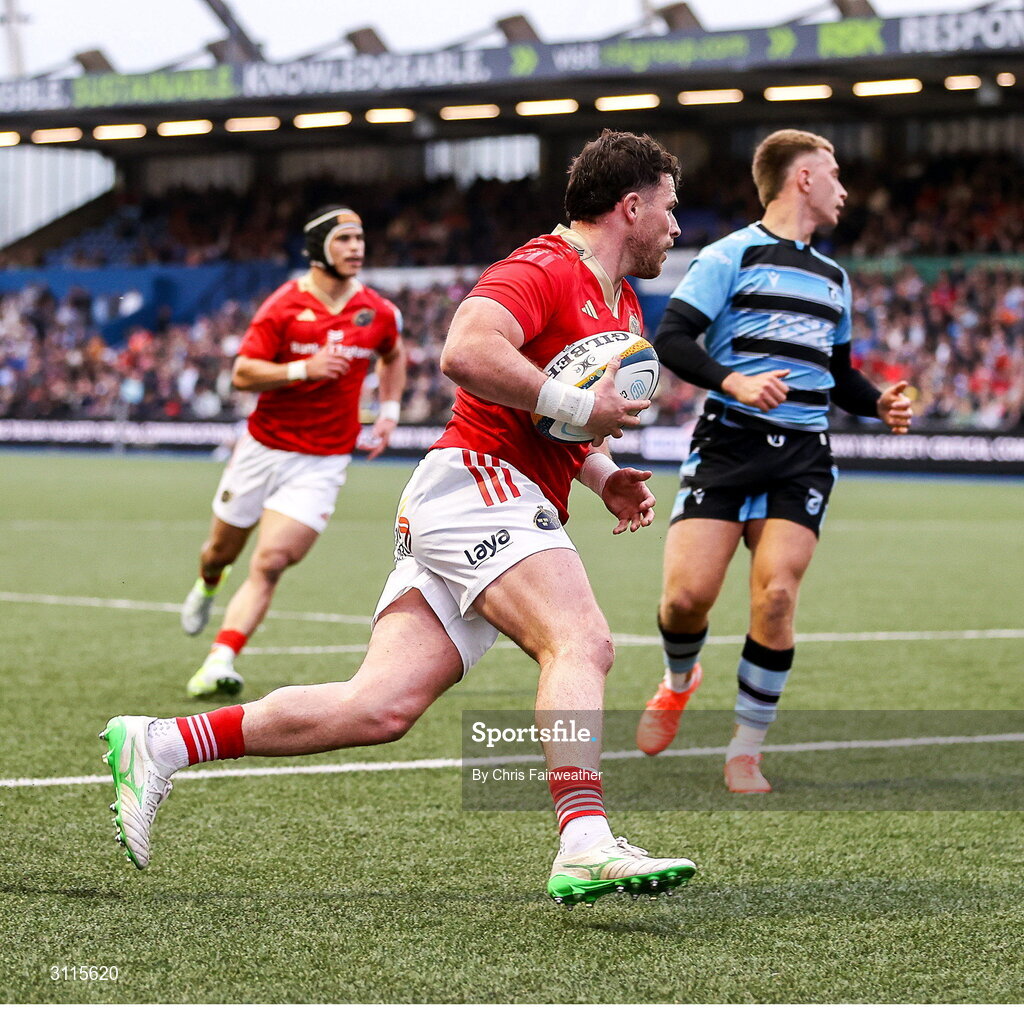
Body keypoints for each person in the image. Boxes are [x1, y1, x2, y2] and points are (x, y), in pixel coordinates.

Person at [101, 130, 697, 907]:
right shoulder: (543, 266)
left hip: (490, 493)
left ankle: (162, 741)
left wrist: (604, 471)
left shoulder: (621, 301)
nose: (677, 226)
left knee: (377, 707)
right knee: (580, 639)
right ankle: (585, 841)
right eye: (669, 207)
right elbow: (466, 351)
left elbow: (545, 419)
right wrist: (584, 406)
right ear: (630, 205)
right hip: (480, 485)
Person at [635, 129, 913, 793]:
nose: (845, 188)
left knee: (778, 597)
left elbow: (838, 374)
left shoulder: (835, 278)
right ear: (803, 179)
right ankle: (680, 679)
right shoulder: (731, 253)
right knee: (684, 599)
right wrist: (734, 382)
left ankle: (745, 749)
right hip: (728, 444)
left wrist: (881, 404)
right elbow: (670, 338)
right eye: (835, 173)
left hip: (803, 457)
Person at [178, 206, 407, 698]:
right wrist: (301, 371)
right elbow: (242, 373)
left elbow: (393, 352)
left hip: (324, 459)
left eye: (360, 239)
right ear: (319, 247)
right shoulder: (282, 306)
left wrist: (388, 408)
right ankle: (208, 584)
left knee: (272, 561)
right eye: (344, 239)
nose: (356, 248)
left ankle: (220, 659)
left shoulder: (377, 310)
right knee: (221, 551)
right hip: (264, 448)